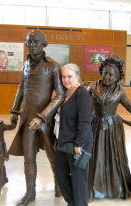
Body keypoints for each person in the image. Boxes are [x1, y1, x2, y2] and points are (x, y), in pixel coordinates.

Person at [8, 30, 64, 206]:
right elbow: (20, 88)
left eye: (35, 42)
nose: (31, 45)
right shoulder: (25, 63)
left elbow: (60, 95)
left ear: (43, 44)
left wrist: (43, 117)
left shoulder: (53, 66)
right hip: (27, 118)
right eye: (28, 42)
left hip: (45, 120)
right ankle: (30, 193)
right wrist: (15, 111)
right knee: (29, 156)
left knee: (52, 155)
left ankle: (59, 186)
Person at [88, 54, 131, 200]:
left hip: (112, 127)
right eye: (105, 72)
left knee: (113, 157)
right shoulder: (92, 86)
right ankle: (92, 188)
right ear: (101, 71)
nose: (107, 77)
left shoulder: (119, 91)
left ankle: (114, 188)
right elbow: (83, 104)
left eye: (111, 75)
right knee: (95, 156)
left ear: (117, 77)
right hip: (95, 125)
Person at [54, 63, 93, 206]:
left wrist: (78, 145)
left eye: (70, 76)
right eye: (64, 77)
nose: (66, 80)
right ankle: (73, 202)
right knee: (60, 173)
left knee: (79, 180)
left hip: (77, 145)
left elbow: (84, 122)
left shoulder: (83, 95)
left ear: (78, 77)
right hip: (63, 143)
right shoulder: (65, 93)